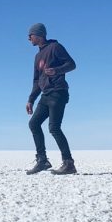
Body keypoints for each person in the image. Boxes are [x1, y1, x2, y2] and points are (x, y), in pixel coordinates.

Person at [25, 23, 77, 175]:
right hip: (45, 95)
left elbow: (72, 64)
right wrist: (31, 99)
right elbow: (36, 81)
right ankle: (42, 161)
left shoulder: (55, 47)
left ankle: (68, 163)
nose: (29, 38)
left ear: (39, 35)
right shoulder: (37, 56)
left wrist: (56, 70)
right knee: (33, 124)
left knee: (54, 128)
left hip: (58, 92)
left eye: (31, 35)